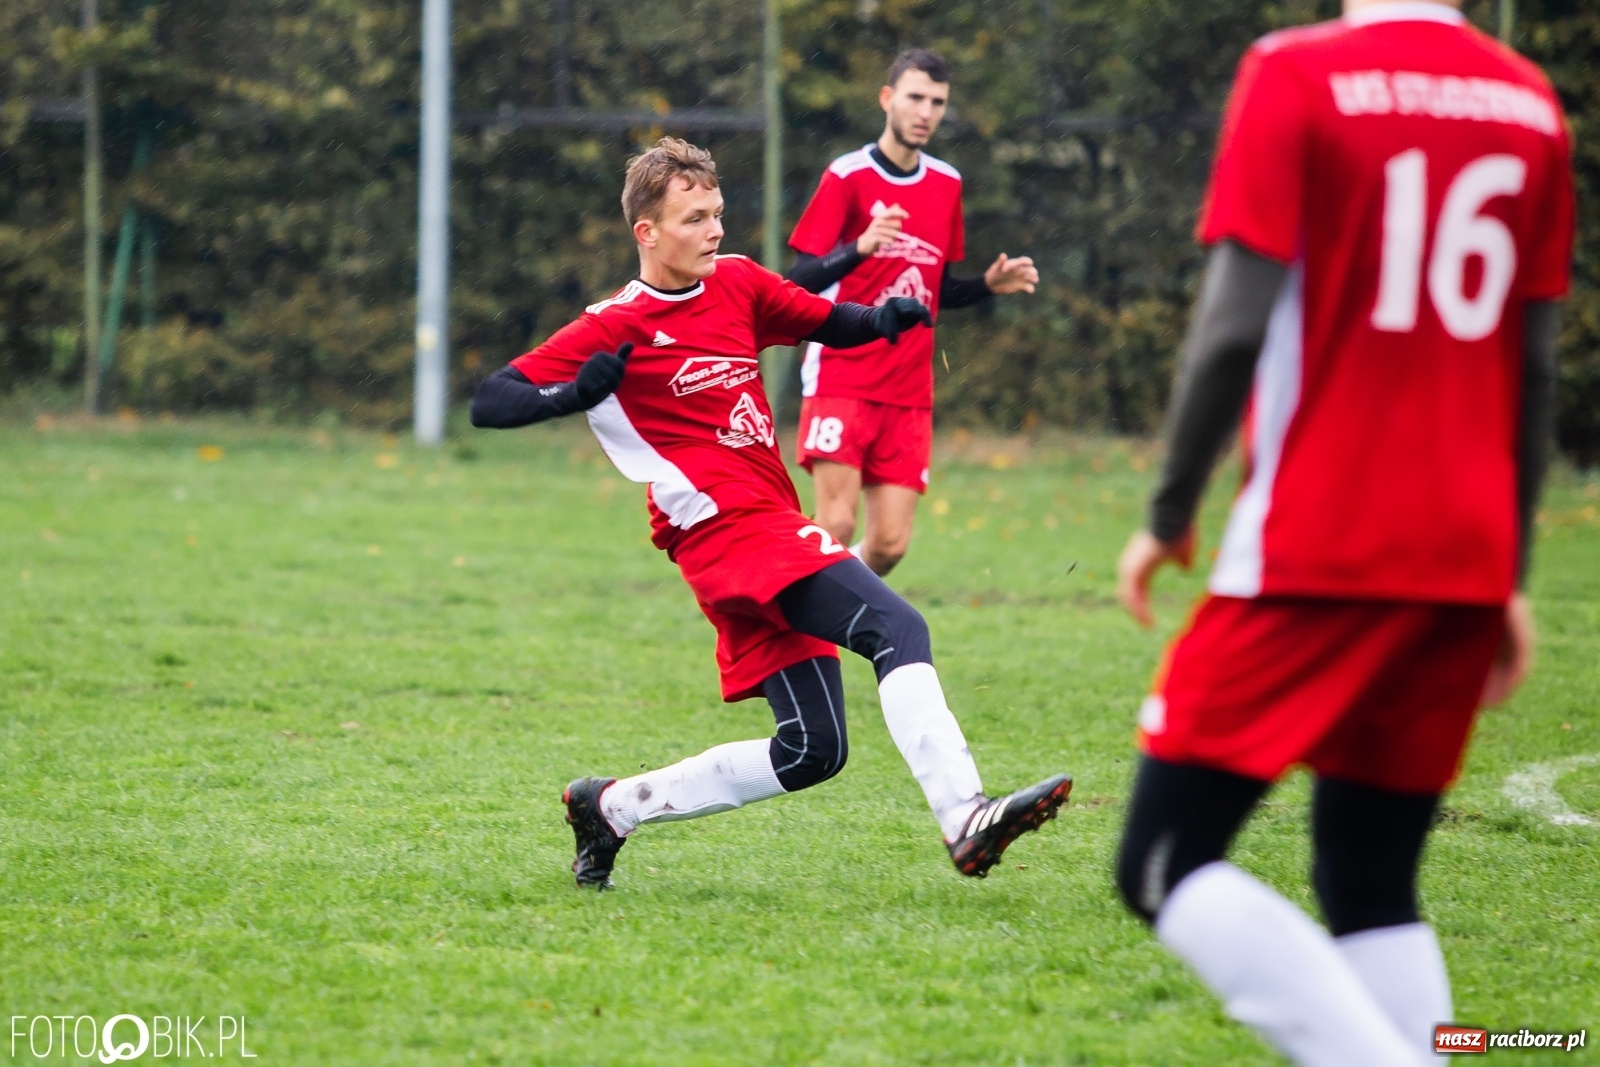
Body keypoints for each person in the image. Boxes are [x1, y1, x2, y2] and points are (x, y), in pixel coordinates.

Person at [1108, 1, 1572, 1064]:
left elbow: (1230, 325)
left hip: (1320, 543)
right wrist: (1508, 568)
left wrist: (1169, 512)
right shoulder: (1528, 99)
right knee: (1369, 876)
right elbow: (1532, 368)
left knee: (1160, 861)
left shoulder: (1294, 73)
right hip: (1460, 553)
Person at [471, 137, 1070, 889]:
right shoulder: (614, 322)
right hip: (727, 532)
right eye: (694, 218)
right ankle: (965, 815)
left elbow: (825, 321)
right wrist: (573, 393)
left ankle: (612, 807)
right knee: (899, 627)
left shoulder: (739, 284)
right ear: (646, 233)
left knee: (813, 748)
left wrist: (883, 318)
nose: (715, 231)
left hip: (762, 525)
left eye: (718, 213)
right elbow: (490, 401)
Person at [786, 48, 1039, 576]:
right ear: (887, 99)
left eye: (937, 102)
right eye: (915, 98)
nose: (925, 112)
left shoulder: (946, 183)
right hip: (842, 373)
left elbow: (934, 291)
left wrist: (987, 286)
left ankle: (818, 594)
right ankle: (797, 622)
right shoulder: (847, 176)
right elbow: (796, 282)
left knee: (890, 546)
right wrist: (858, 248)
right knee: (835, 525)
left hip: (907, 388)